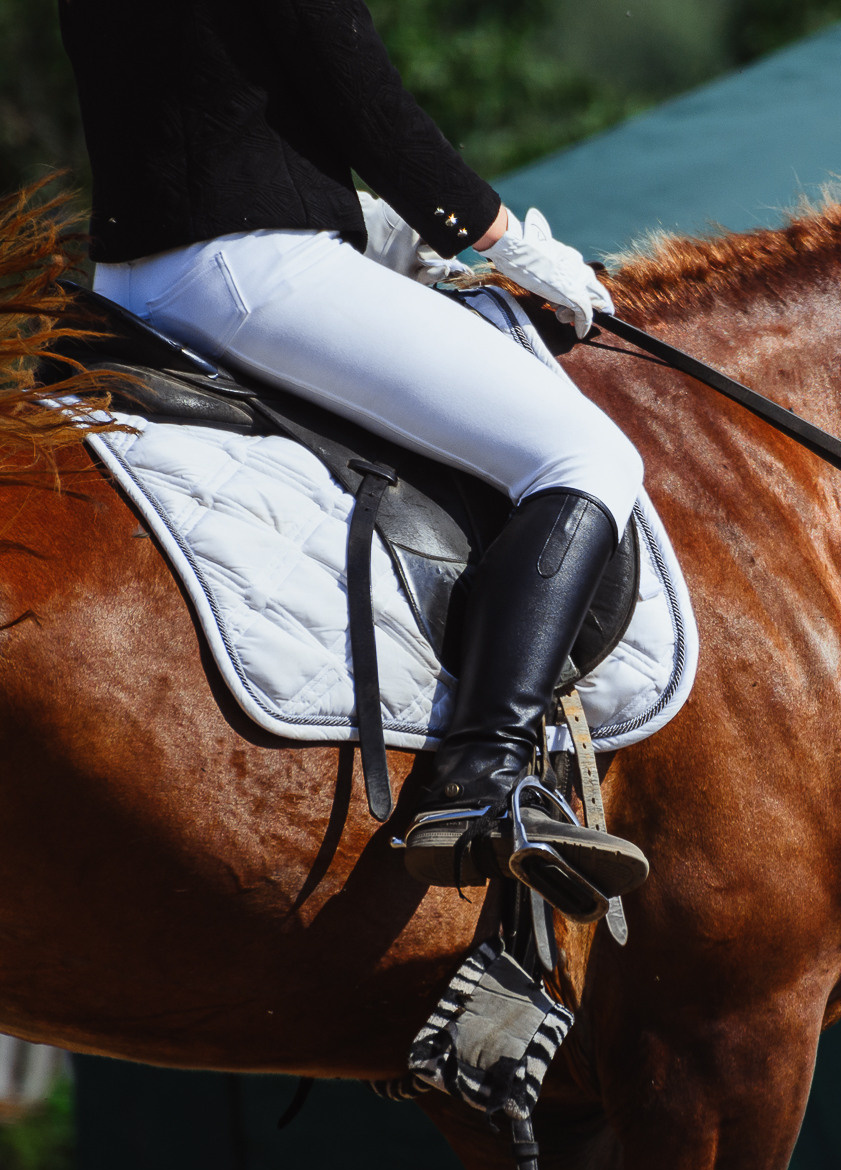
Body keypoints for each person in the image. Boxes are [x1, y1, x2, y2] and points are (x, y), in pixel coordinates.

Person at [58, 0, 650, 906]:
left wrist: (372, 225)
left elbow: (203, 105)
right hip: (254, 269)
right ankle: (480, 777)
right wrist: (501, 239)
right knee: (586, 458)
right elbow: (363, 97)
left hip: (131, 279)